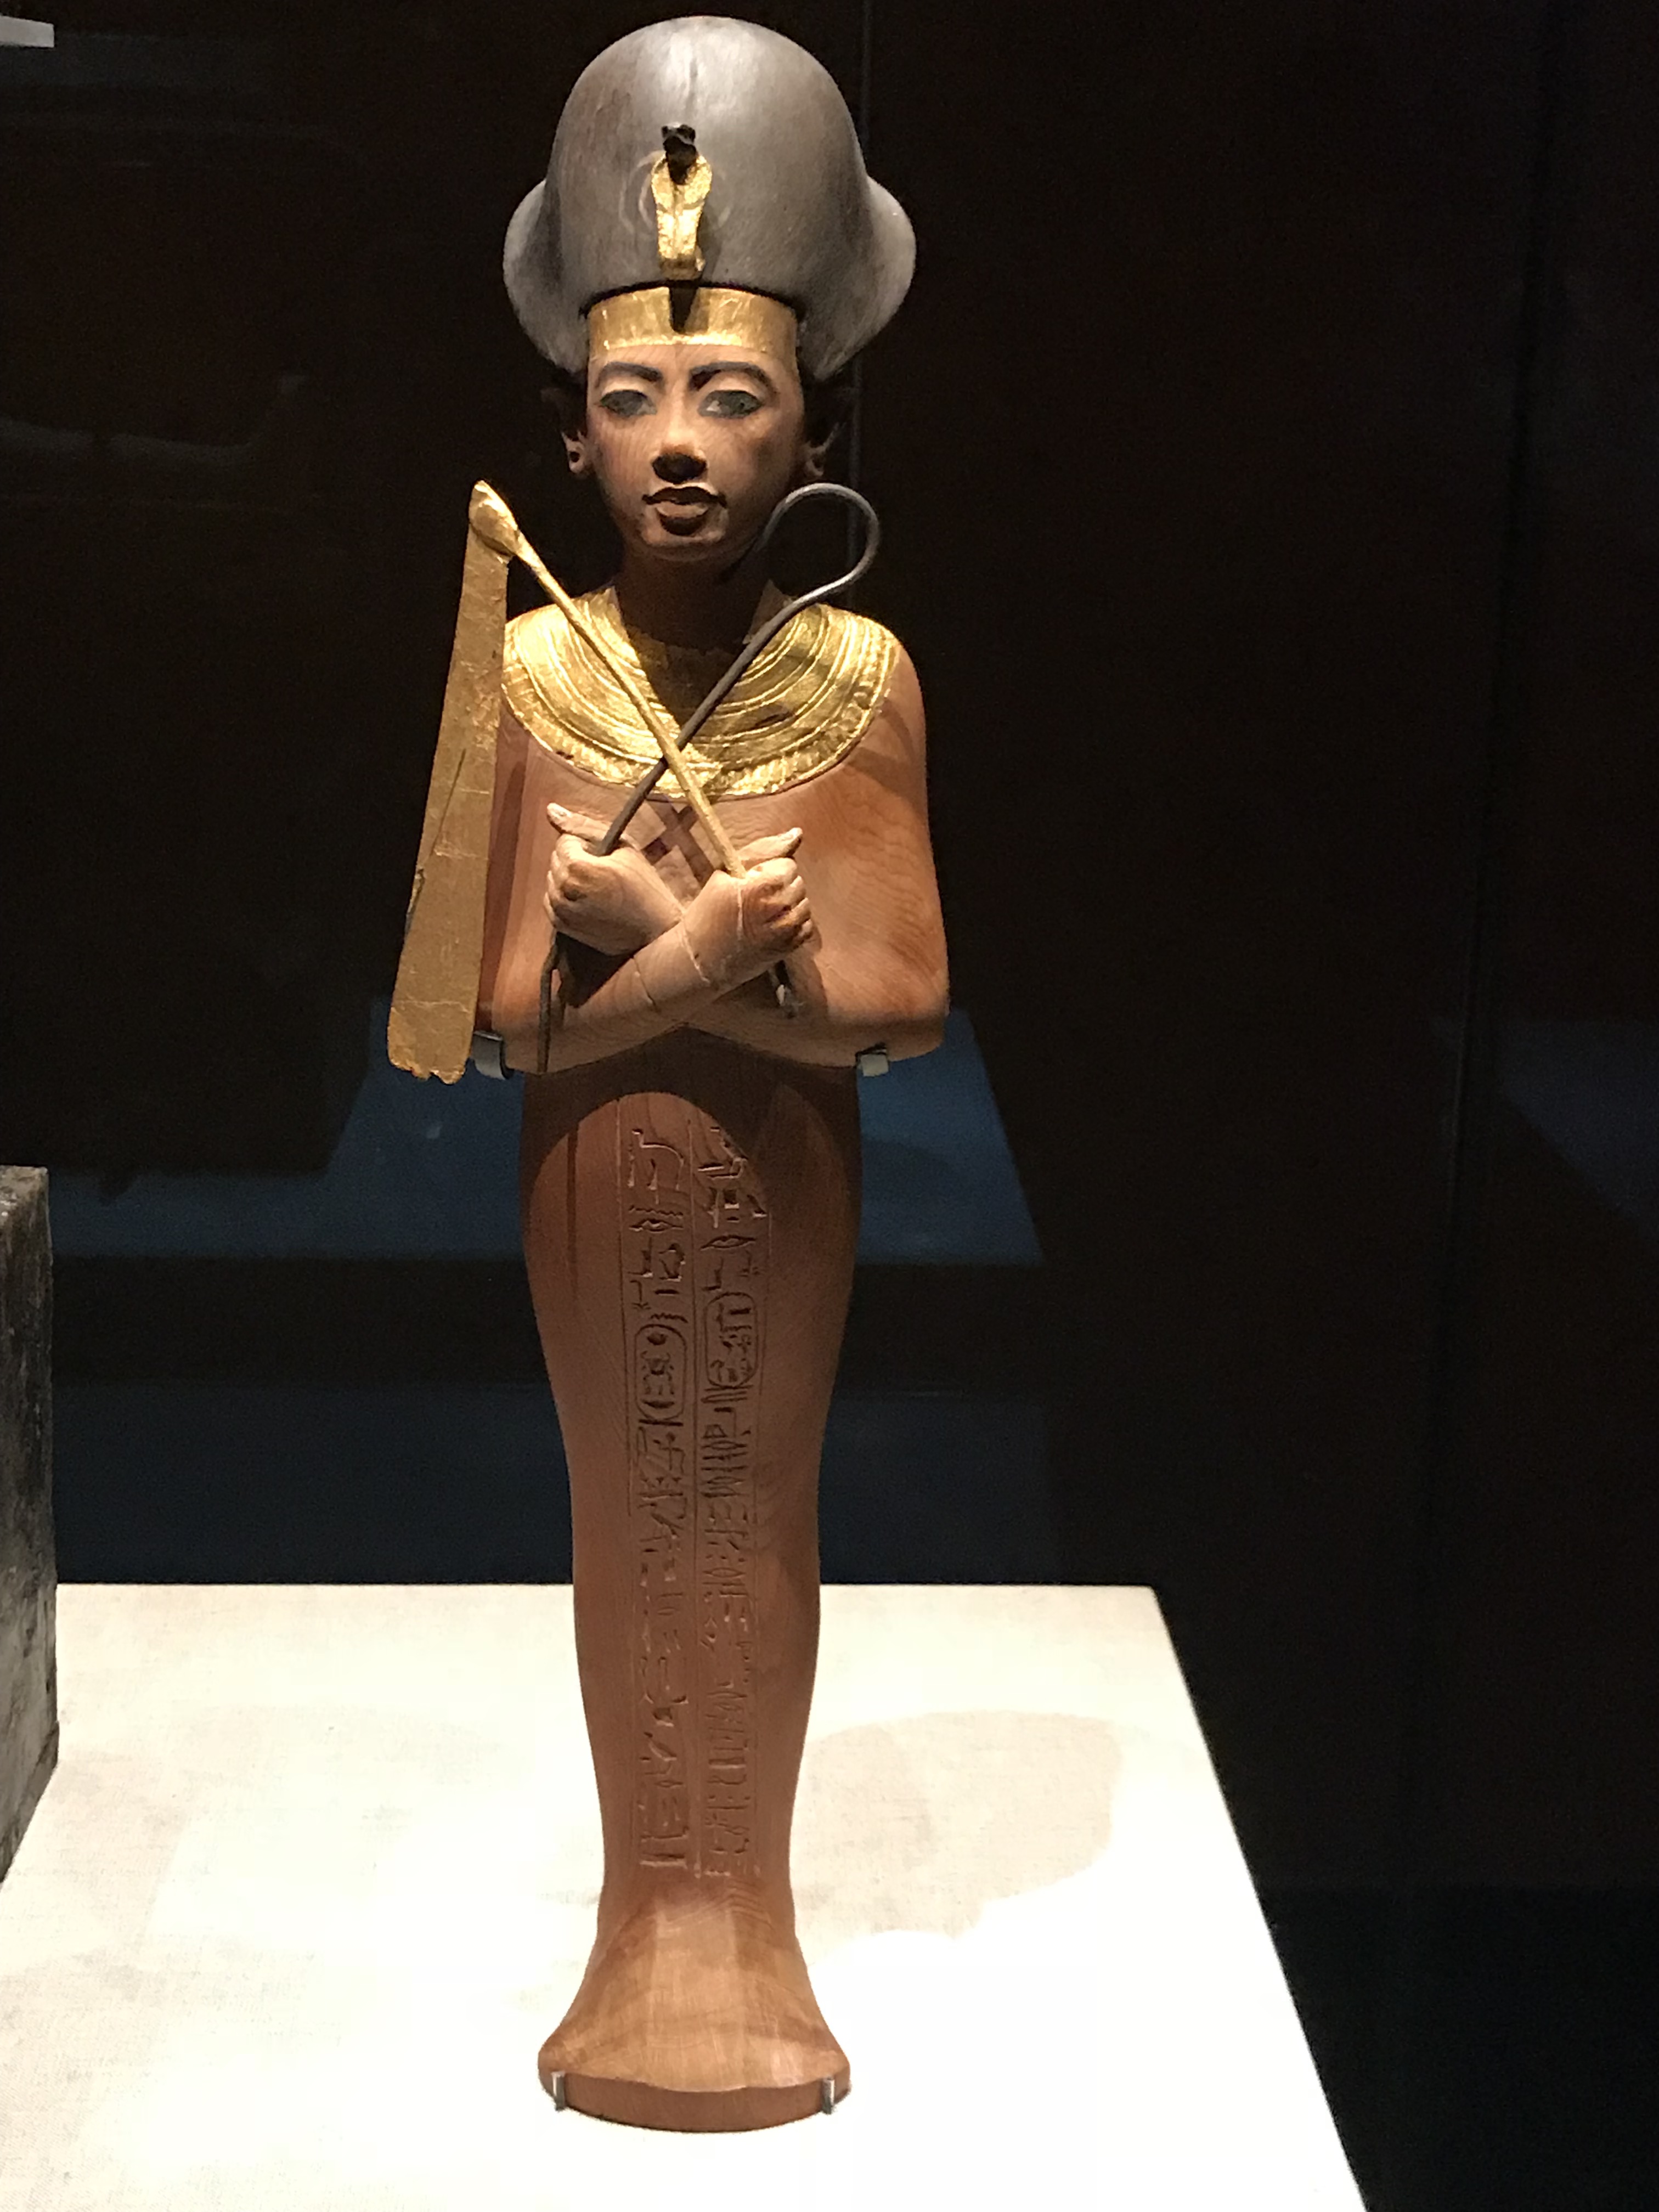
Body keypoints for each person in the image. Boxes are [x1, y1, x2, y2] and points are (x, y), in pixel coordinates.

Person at [393, 16, 946, 2130]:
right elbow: (493, 1021)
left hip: (777, 1185)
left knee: (755, 1498)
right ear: (571, 438)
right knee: (629, 1508)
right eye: (635, 399)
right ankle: (653, 1910)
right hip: (599, 1183)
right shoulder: (534, 665)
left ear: (817, 425)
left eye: (733, 395)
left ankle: (743, 1914)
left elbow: (898, 997)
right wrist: (708, 952)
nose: (683, 445)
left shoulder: (856, 673)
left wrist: (670, 947)